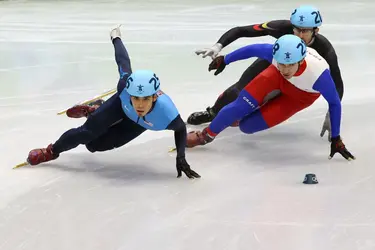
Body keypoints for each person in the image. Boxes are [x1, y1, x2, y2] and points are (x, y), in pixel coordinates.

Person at [25, 26, 201, 179]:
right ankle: (52, 151)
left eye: (145, 99)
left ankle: (96, 109)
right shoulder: (124, 87)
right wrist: (116, 37)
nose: (139, 104)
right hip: (119, 106)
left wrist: (181, 157)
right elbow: (123, 61)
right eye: (135, 98)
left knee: (94, 146)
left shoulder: (168, 114)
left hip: (137, 124)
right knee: (86, 133)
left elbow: (180, 129)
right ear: (129, 93)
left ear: (154, 97)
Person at [186, 34, 355, 161]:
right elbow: (251, 49)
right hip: (275, 78)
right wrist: (225, 60)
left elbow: (334, 103)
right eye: (281, 63)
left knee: (246, 127)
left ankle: (252, 110)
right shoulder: (276, 58)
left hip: (300, 96)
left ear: (301, 60)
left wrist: (336, 139)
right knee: (238, 107)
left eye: (290, 65)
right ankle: (205, 136)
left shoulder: (319, 75)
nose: (285, 69)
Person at [188, 5, 343, 141]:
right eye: (296, 29)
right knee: (239, 90)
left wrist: (331, 113)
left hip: (302, 81)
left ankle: (255, 111)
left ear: (316, 30)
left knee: (274, 100)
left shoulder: (325, 50)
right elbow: (242, 31)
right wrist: (218, 46)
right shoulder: (283, 28)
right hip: (275, 63)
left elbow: (337, 83)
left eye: (305, 31)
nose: (299, 35)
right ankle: (213, 113)